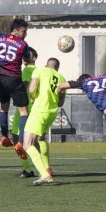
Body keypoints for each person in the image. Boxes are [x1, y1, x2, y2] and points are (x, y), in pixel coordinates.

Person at [0, 18, 31, 158]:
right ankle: (21, 142)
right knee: (24, 112)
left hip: (0, 78)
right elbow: (27, 59)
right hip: (14, 79)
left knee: (4, 108)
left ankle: (3, 136)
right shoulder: (22, 44)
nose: (25, 34)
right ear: (15, 31)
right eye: (23, 31)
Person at [23, 58, 66, 186]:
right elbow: (61, 102)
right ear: (57, 68)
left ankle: (45, 174)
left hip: (39, 110)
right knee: (40, 139)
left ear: (46, 64)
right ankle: (47, 169)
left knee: (27, 144)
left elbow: (32, 88)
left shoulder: (39, 70)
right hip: (51, 113)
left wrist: (32, 98)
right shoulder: (61, 78)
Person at [11, 47, 38, 178]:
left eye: (29, 54)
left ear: (34, 57)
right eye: (24, 54)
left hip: (25, 108)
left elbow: (24, 87)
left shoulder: (28, 70)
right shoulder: (38, 71)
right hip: (28, 108)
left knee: (21, 140)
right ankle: (39, 167)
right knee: (32, 140)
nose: (25, 56)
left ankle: (29, 168)